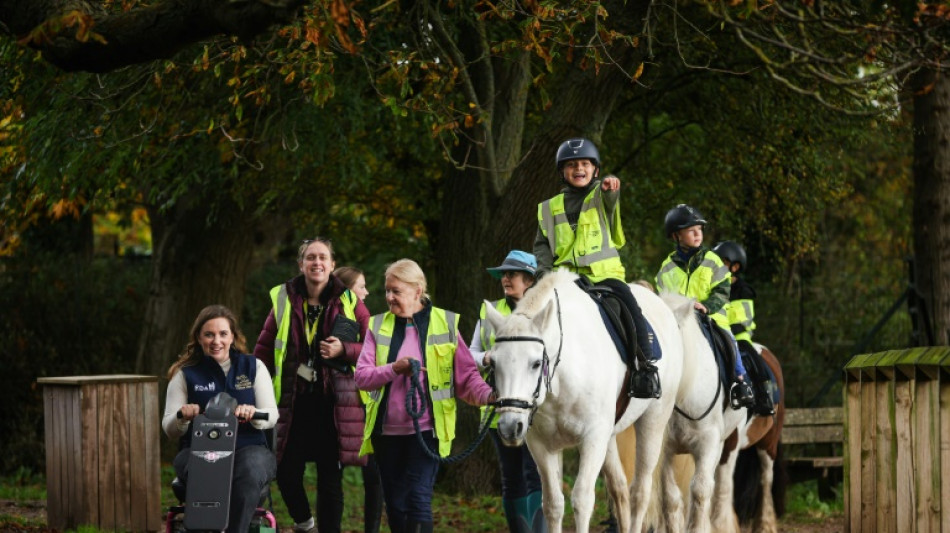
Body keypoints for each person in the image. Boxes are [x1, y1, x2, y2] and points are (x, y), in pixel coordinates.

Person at [354, 258, 495, 533]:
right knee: (395, 505)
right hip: (386, 434)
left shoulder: (445, 323)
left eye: (396, 291)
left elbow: (467, 378)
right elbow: (361, 377)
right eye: (387, 290)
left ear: (418, 291)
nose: (389, 297)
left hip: (427, 432)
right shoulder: (377, 325)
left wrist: (491, 396)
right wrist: (395, 368)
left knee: (418, 500)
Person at [253, 238, 371, 533]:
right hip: (294, 402)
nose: (316, 262)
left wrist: (345, 350)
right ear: (301, 264)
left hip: (334, 404)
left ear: (332, 265)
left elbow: (373, 348)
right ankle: (305, 524)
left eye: (323, 257)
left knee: (330, 478)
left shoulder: (349, 301)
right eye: (310, 257)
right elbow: (263, 352)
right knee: (286, 471)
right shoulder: (283, 299)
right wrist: (252, 391)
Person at [533, 137, 659, 399]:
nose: (578, 169)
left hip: (605, 277)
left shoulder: (601, 196)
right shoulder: (547, 208)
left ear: (596, 170)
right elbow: (542, 245)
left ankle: (645, 366)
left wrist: (611, 187)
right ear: (562, 172)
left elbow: (611, 197)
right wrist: (544, 276)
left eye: (584, 164)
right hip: (567, 279)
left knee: (630, 307)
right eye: (571, 165)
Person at [162, 305, 278, 533]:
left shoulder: (254, 367)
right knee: (206, 467)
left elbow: (272, 415)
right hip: (199, 449)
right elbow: (168, 427)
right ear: (198, 337)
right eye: (209, 334)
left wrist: (253, 413)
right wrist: (182, 416)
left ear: (233, 336)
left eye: (223, 334)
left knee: (249, 470)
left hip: (249, 448)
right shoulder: (185, 373)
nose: (217, 341)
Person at [470, 250, 547, 533]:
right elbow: (471, 354)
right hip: (499, 407)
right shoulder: (490, 310)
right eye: (503, 274)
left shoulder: (545, 311)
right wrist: (487, 358)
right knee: (512, 475)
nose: (505, 279)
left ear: (528, 279)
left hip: (536, 411)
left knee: (536, 473)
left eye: (511, 274)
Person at [656, 204, 754, 409]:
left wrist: (707, 306)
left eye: (699, 229)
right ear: (676, 236)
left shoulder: (713, 260)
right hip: (679, 321)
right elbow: (662, 297)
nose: (697, 233)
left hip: (712, 317)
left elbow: (722, 290)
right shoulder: (666, 267)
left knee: (729, 340)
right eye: (691, 230)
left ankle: (741, 381)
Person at [332, 265, 384, 533]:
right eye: (361, 286)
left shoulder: (365, 317)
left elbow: (373, 348)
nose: (366, 292)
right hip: (339, 405)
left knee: (374, 474)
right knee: (333, 476)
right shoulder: (327, 315)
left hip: (364, 403)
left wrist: (345, 349)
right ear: (346, 289)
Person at [712, 240, 774, 415]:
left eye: (722, 263)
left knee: (754, 360)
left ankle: (764, 396)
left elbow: (741, 320)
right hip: (717, 331)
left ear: (735, 266)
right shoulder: (712, 287)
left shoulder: (742, 290)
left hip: (738, 335)